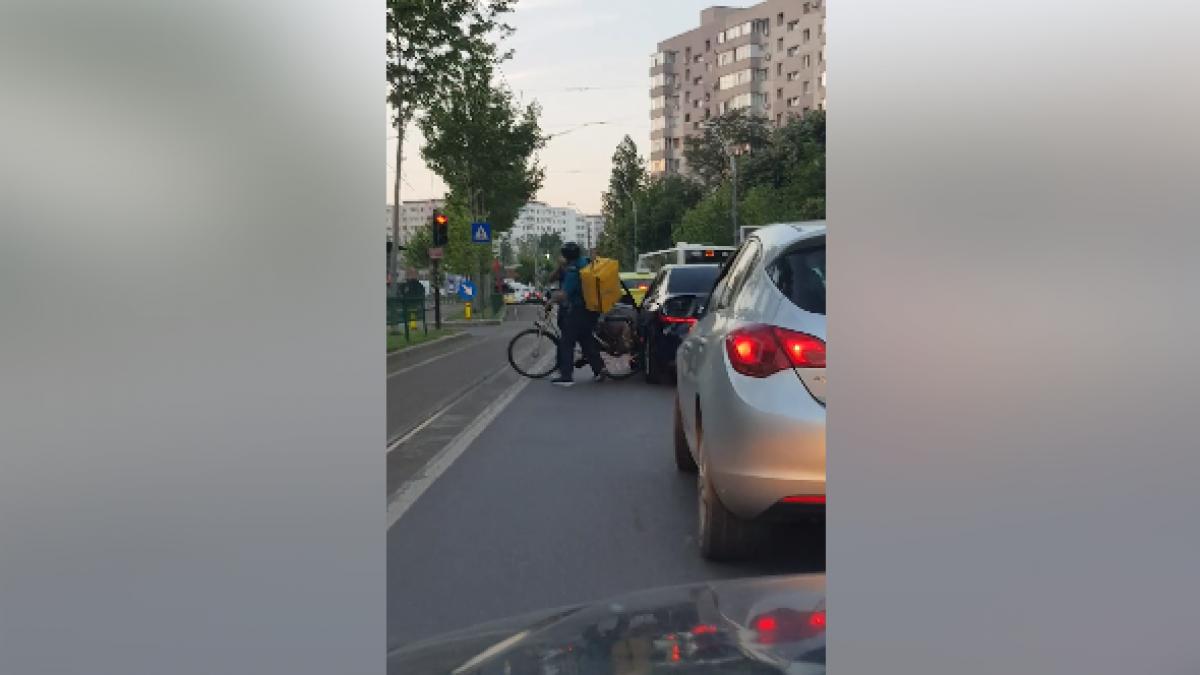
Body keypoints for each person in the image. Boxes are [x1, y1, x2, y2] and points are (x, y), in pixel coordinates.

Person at [548, 242, 606, 387]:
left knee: (567, 343)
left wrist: (551, 300)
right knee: (586, 341)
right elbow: (553, 278)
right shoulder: (585, 263)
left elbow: (565, 293)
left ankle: (566, 377)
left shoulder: (573, 270)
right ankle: (599, 370)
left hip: (576, 311)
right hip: (589, 310)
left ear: (566, 256)